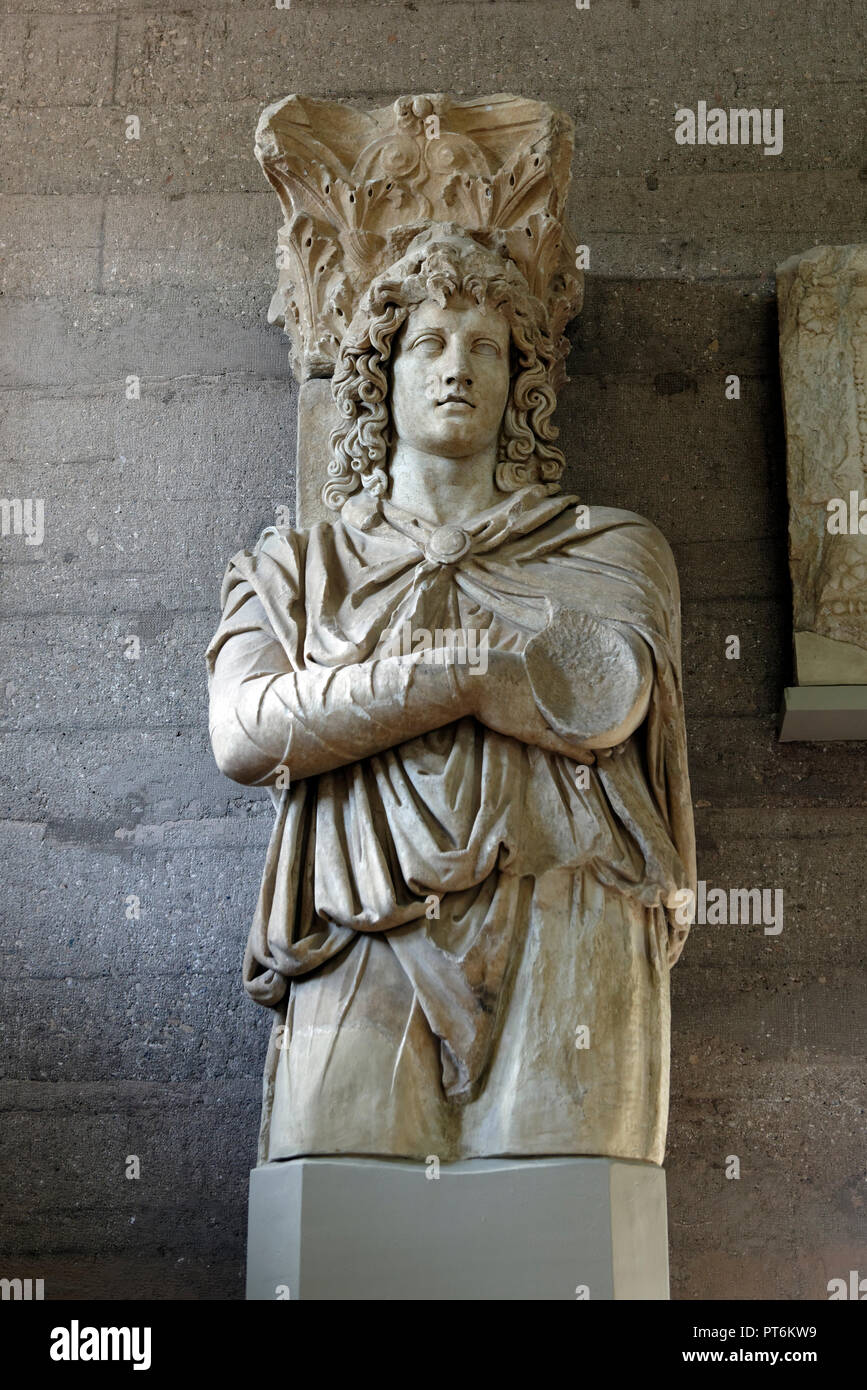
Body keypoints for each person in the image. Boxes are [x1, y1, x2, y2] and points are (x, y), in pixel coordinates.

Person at [207, 227, 695, 1165]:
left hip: (566, 895)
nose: (457, 369)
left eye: (488, 349)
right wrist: (469, 678)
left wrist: (359, 701)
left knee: (566, 1213)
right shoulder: (293, 569)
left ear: (522, 382)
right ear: (378, 374)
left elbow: (607, 701)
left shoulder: (607, 547)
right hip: (356, 912)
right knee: (340, 1203)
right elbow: (243, 731)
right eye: (428, 344)